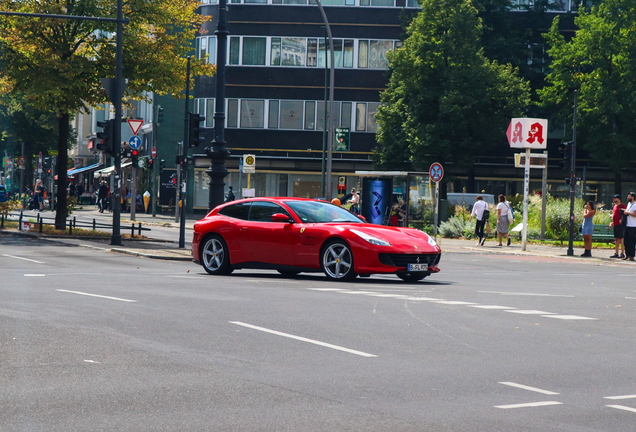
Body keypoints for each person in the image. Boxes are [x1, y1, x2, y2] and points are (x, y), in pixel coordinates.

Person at [609, 194, 626, 259]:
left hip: (620, 224)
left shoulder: (622, 205)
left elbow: (625, 213)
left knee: (621, 238)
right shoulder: (614, 206)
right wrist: (612, 223)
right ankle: (616, 253)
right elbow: (614, 215)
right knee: (616, 239)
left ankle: (622, 253)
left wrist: (622, 219)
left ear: (619, 199)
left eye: (615, 198)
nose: (614, 199)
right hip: (615, 224)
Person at [622, 192, 636, 261]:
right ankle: (627, 255)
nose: (628, 197)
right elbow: (627, 211)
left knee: (631, 241)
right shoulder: (628, 204)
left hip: (632, 226)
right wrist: (624, 211)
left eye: (629, 196)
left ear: (633, 197)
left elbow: (635, 215)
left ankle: (632, 256)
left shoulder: (635, 204)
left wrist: (628, 213)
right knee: (626, 241)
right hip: (627, 225)